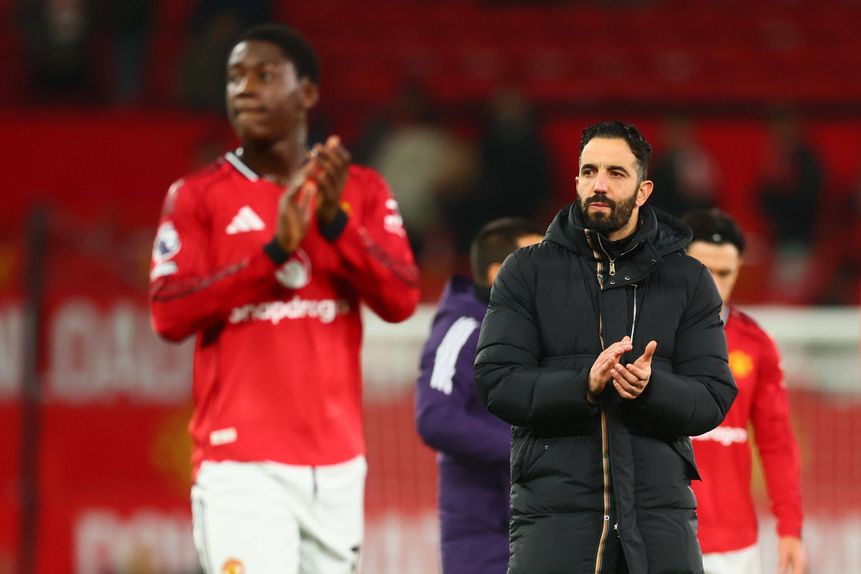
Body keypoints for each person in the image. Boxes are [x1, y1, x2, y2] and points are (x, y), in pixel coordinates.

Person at [148, 24, 420, 574]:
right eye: (234, 78)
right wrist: (273, 256)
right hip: (240, 465)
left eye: (264, 75)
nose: (244, 88)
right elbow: (168, 313)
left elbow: (401, 299)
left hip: (337, 465)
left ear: (308, 93)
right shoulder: (198, 196)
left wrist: (335, 224)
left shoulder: (360, 190)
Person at [474, 120, 737, 574]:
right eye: (589, 171)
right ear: (575, 179)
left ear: (643, 190)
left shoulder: (689, 279)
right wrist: (584, 384)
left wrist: (653, 387)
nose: (599, 184)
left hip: (659, 520)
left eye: (616, 173)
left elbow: (714, 396)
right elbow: (497, 382)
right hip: (554, 520)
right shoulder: (526, 272)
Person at [415, 217, 545, 574]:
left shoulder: (536, 331)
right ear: (497, 273)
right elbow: (434, 416)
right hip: (483, 536)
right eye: (536, 263)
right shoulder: (463, 328)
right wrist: (524, 453)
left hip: (540, 526)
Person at [683, 209, 806, 574]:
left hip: (733, 546)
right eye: (703, 270)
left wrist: (790, 528)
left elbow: (777, 442)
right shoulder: (644, 336)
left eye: (725, 273)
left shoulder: (756, 344)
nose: (715, 284)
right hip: (658, 533)